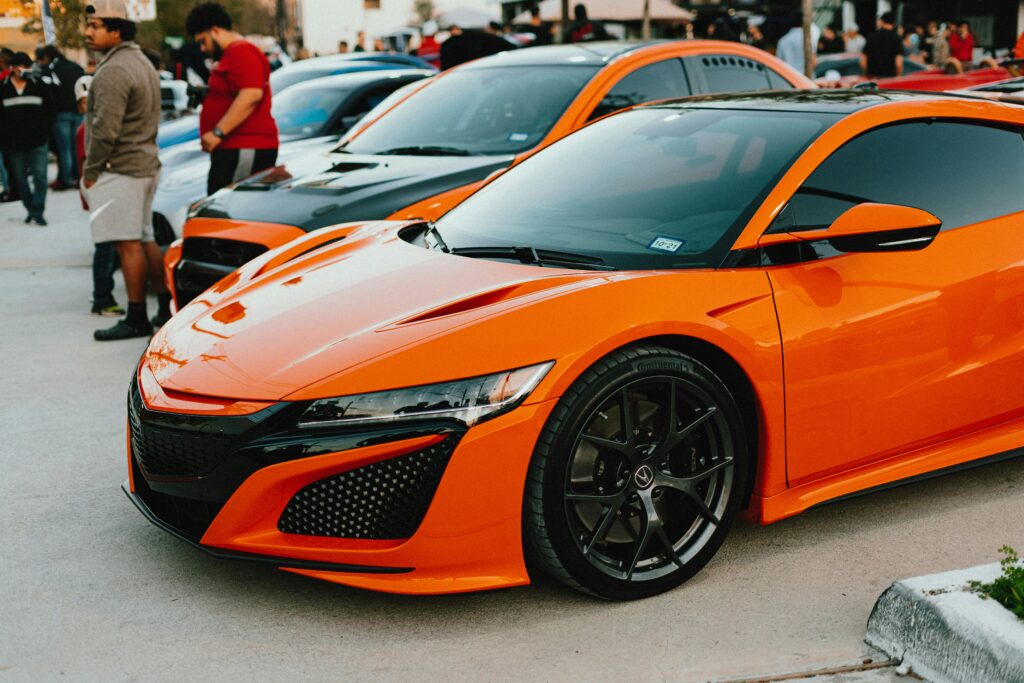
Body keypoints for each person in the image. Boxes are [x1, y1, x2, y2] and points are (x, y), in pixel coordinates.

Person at [82, 0, 169, 340]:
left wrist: (90, 171)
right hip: (144, 163)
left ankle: (136, 317)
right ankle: (163, 306)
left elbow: (105, 130)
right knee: (145, 238)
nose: (88, 32)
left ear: (116, 31)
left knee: (127, 243)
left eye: (95, 26)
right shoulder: (141, 61)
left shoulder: (115, 69)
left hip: (121, 167)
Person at [185, 3, 279, 196]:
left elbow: (251, 94)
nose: (203, 49)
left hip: (244, 147)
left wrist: (218, 132)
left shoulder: (241, 52)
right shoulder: (234, 54)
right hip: (236, 148)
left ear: (215, 31)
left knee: (233, 210)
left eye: (203, 41)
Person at [74, 75, 123, 317]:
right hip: (100, 191)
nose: (90, 106)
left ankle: (103, 292)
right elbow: (86, 169)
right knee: (105, 247)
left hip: (108, 190)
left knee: (114, 247)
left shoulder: (98, 127)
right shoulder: (85, 130)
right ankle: (102, 299)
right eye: (84, 103)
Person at [0, 52, 55, 226]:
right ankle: (30, 207)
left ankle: (37, 211)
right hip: (14, 144)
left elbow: (51, 111)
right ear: (13, 69)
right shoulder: (3, 88)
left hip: (38, 141)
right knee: (20, 179)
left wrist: (44, 131)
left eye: (27, 67)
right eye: (21, 67)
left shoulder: (39, 85)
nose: (24, 70)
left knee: (40, 177)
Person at [35, 45, 85, 191]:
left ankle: (66, 179)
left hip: (61, 112)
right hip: (77, 110)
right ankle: (78, 177)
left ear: (46, 57)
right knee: (77, 146)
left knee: (64, 149)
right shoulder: (76, 67)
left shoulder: (51, 70)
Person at [861, 12, 903, 78]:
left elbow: (863, 61)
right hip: (889, 79)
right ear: (894, 23)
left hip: (873, 79)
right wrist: (899, 76)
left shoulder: (871, 37)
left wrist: (867, 74)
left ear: (882, 22)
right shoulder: (896, 39)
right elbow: (898, 63)